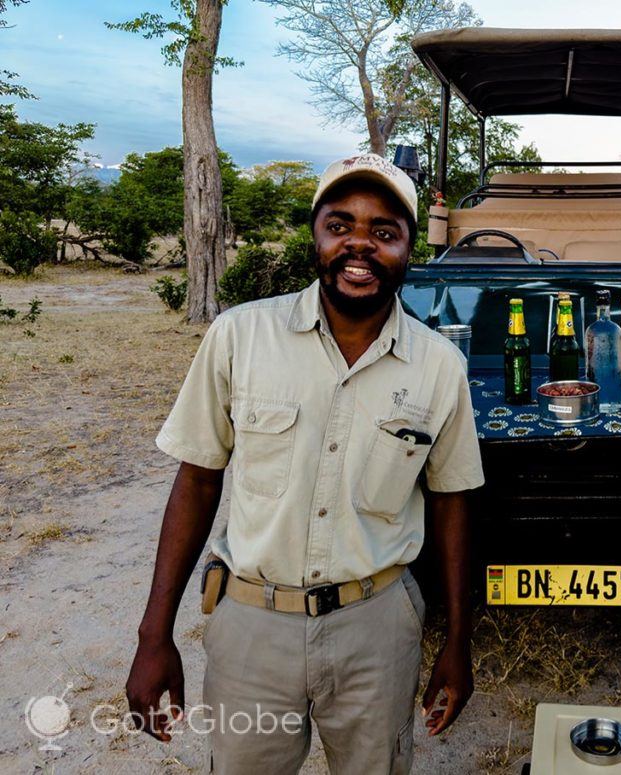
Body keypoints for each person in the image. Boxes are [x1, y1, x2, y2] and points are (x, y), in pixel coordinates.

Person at [125, 153, 485, 774]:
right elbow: (198, 480)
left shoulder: (438, 366)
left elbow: (451, 501)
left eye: (384, 232)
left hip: (378, 629)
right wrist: (153, 635)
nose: (360, 246)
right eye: (340, 225)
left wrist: (457, 642)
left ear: (406, 250)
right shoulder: (239, 337)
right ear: (315, 234)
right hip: (251, 629)